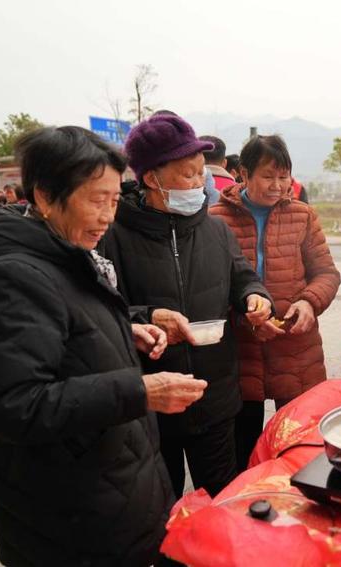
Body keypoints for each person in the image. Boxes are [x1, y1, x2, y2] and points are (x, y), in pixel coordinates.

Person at [0, 126, 207, 566]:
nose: (107, 217)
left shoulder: (64, 251)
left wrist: (132, 325)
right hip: (66, 514)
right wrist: (142, 391)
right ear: (44, 197)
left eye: (115, 201)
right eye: (96, 200)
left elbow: (69, 327)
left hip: (105, 488)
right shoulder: (12, 276)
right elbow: (14, 404)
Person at [100, 113, 274, 499]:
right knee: (161, 506)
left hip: (213, 396)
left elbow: (242, 276)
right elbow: (100, 311)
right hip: (152, 403)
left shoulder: (215, 229)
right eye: (187, 174)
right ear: (151, 179)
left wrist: (254, 297)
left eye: (201, 173)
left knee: (223, 498)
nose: (200, 183)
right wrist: (146, 317)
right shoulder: (113, 236)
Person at [210, 135, 341, 471]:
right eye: (268, 176)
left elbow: (326, 273)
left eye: (284, 177)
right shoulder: (215, 219)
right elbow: (211, 288)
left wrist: (309, 303)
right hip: (242, 350)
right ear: (243, 173)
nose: (277, 185)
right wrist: (246, 317)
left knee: (300, 445)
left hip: (296, 345)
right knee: (244, 449)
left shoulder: (303, 215)